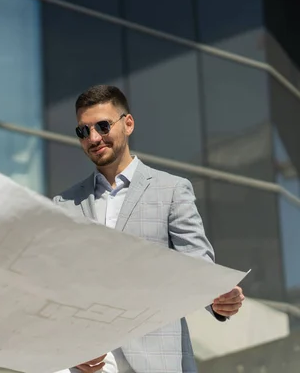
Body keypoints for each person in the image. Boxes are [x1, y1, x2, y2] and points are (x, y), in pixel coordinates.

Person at [53, 85, 245, 373]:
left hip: (158, 361)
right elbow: (57, 287)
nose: (93, 138)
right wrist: (68, 347)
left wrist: (217, 298)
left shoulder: (172, 189)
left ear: (127, 124)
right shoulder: (64, 203)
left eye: (103, 126)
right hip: (89, 363)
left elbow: (196, 263)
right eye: (84, 131)